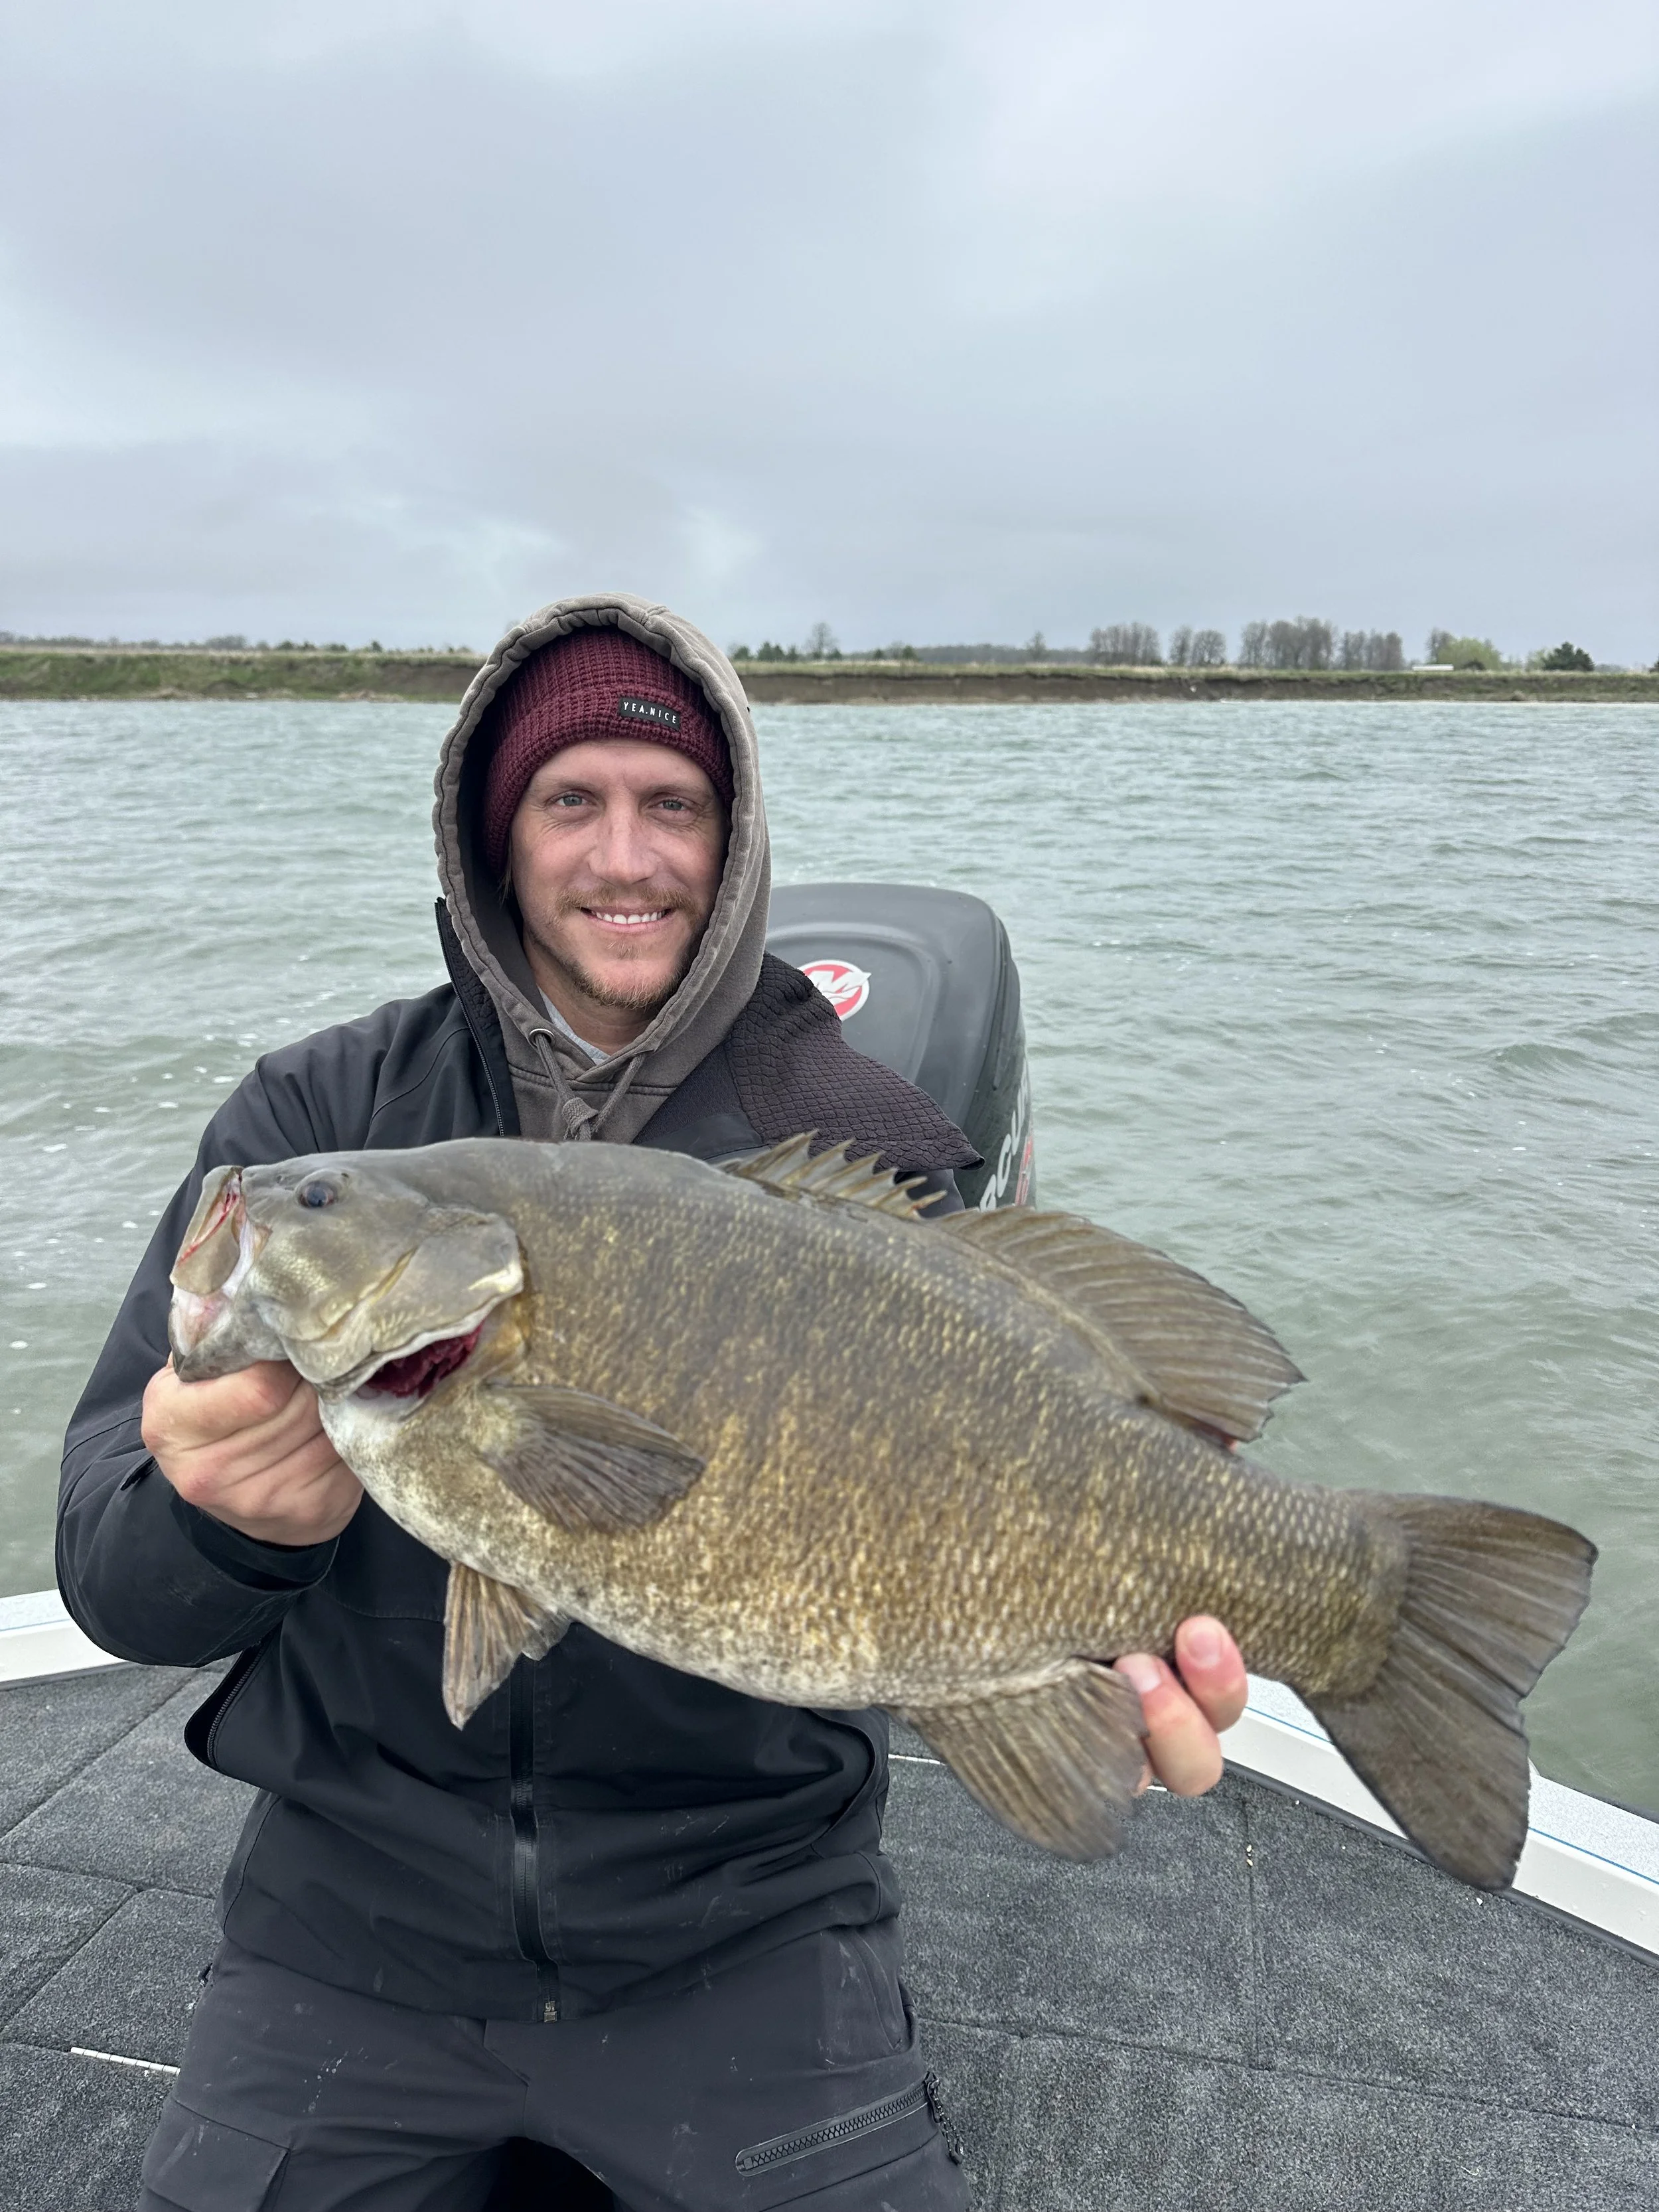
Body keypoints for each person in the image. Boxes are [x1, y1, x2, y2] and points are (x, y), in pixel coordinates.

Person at [60, 594, 1249, 2212]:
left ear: (732, 837)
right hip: (349, 1927)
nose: (625, 856)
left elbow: (987, 1462)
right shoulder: (316, 1115)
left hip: (751, 1925)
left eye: (670, 805)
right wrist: (213, 1528)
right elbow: (107, 1574)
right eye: (571, 802)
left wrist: (1094, 1682)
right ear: (496, 840)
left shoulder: (867, 1141)